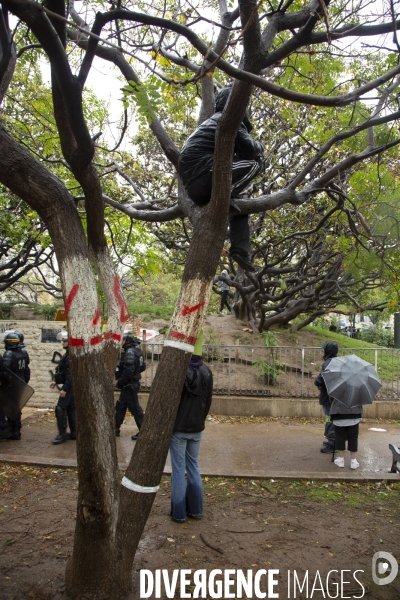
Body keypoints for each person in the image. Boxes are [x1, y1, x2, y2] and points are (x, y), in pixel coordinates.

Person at [178, 85, 264, 273]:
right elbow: (250, 150)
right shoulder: (229, 120)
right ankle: (229, 195)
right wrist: (260, 146)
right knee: (256, 163)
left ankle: (240, 250)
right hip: (207, 175)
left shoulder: (210, 122)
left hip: (195, 189)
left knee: (240, 204)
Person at [170, 330, 213, 523]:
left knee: (179, 470)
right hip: (197, 429)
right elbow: (208, 402)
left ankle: (178, 513)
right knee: (193, 467)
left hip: (179, 429)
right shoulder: (207, 372)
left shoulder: (180, 372)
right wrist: (200, 421)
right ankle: (196, 510)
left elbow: (172, 403)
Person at [115, 331, 146, 441]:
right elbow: (143, 366)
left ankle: (143, 431)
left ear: (128, 341)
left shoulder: (130, 352)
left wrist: (120, 382)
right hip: (129, 385)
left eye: (123, 340)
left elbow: (129, 370)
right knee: (121, 406)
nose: (122, 342)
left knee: (135, 408)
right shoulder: (137, 351)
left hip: (129, 385)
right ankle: (115, 429)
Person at [0, 331, 30, 440]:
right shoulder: (24, 353)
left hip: (10, 385)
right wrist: (24, 383)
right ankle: (16, 431)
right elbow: (27, 370)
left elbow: (5, 372)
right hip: (20, 383)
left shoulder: (8, 354)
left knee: (6, 407)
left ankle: (6, 430)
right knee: (16, 408)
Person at [50, 331, 76, 444]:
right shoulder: (69, 354)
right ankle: (74, 433)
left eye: (65, 341)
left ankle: (62, 434)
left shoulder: (70, 355)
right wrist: (56, 381)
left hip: (69, 387)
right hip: (70, 386)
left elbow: (71, 375)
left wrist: (65, 389)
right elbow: (63, 371)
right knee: (71, 409)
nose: (63, 343)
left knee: (60, 408)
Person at [314, 342, 338, 454]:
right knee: (332, 418)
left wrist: (318, 383)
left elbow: (322, 378)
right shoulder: (337, 362)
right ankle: (333, 440)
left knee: (329, 418)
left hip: (328, 396)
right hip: (334, 395)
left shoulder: (328, 363)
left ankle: (332, 443)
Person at [330, 395, 362, 470]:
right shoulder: (356, 386)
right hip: (354, 413)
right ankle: (353, 461)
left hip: (338, 414)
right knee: (353, 437)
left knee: (339, 437)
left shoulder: (336, 385)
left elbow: (331, 398)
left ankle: (341, 460)